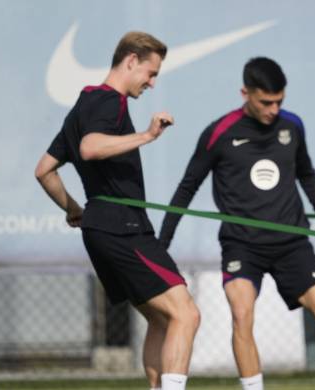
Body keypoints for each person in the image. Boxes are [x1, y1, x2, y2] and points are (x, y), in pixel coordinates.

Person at [158, 57, 315, 390]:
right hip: (242, 245)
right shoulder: (218, 133)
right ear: (245, 93)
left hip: (292, 244)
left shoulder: (292, 126)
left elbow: (308, 176)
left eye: (279, 102)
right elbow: (187, 187)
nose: (273, 109)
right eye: (265, 102)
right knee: (242, 315)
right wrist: (162, 245)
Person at [34, 32, 200, 390]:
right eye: (151, 73)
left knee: (161, 320)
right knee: (186, 313)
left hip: (101, 226)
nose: (152, 83)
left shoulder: (82, 107)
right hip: (123, 227)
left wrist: (74, 209)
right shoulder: (109, 101)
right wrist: (147, 136)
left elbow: (44, 170)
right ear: (131, 61)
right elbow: (91, 148)